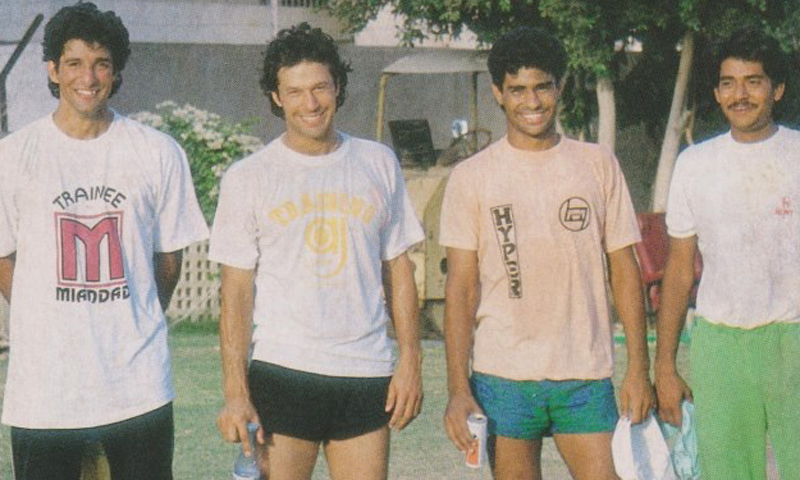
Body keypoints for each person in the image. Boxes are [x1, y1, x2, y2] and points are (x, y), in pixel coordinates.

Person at [0, 3, 208, 479]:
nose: (87, 77)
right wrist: (47, 310)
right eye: (73, 63)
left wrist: (127, 312)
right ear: (53, 69)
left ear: (116, 71)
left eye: (101, 63)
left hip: (136, 385)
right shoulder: (13, 156)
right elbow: (3, 257)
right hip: (45, 389)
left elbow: (167, 259)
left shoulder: (156, 152)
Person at [210, 23, 424, 480]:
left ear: (338, 87)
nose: (310, 104)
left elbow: (398, 269)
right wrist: (235, 390)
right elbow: (236, 294)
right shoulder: (249, 177)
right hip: (284, 372)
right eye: (295, 91)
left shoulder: (377, 163)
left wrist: (410, 360)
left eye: (320, 88)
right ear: (276, 97)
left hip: (365, 371)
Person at [440, 26, 653, 479]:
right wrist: (459, 388)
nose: (531, 102)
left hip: (584, 373)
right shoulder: (472, 176)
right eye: (517, 90)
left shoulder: (597, 164)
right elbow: (460, 288)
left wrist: (639, 367)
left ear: (561, 85)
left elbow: (624, 269)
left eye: (542, 87)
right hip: (503, 376)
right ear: (499, 92)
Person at [655, 28, 800, 480]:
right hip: (721, 345)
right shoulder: (695, 164)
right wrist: (665, 366)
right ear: (717, 93)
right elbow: (678, 272)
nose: (741, 94)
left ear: (776, 89)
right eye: (729, 83)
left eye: (753, 81)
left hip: (792, 337)